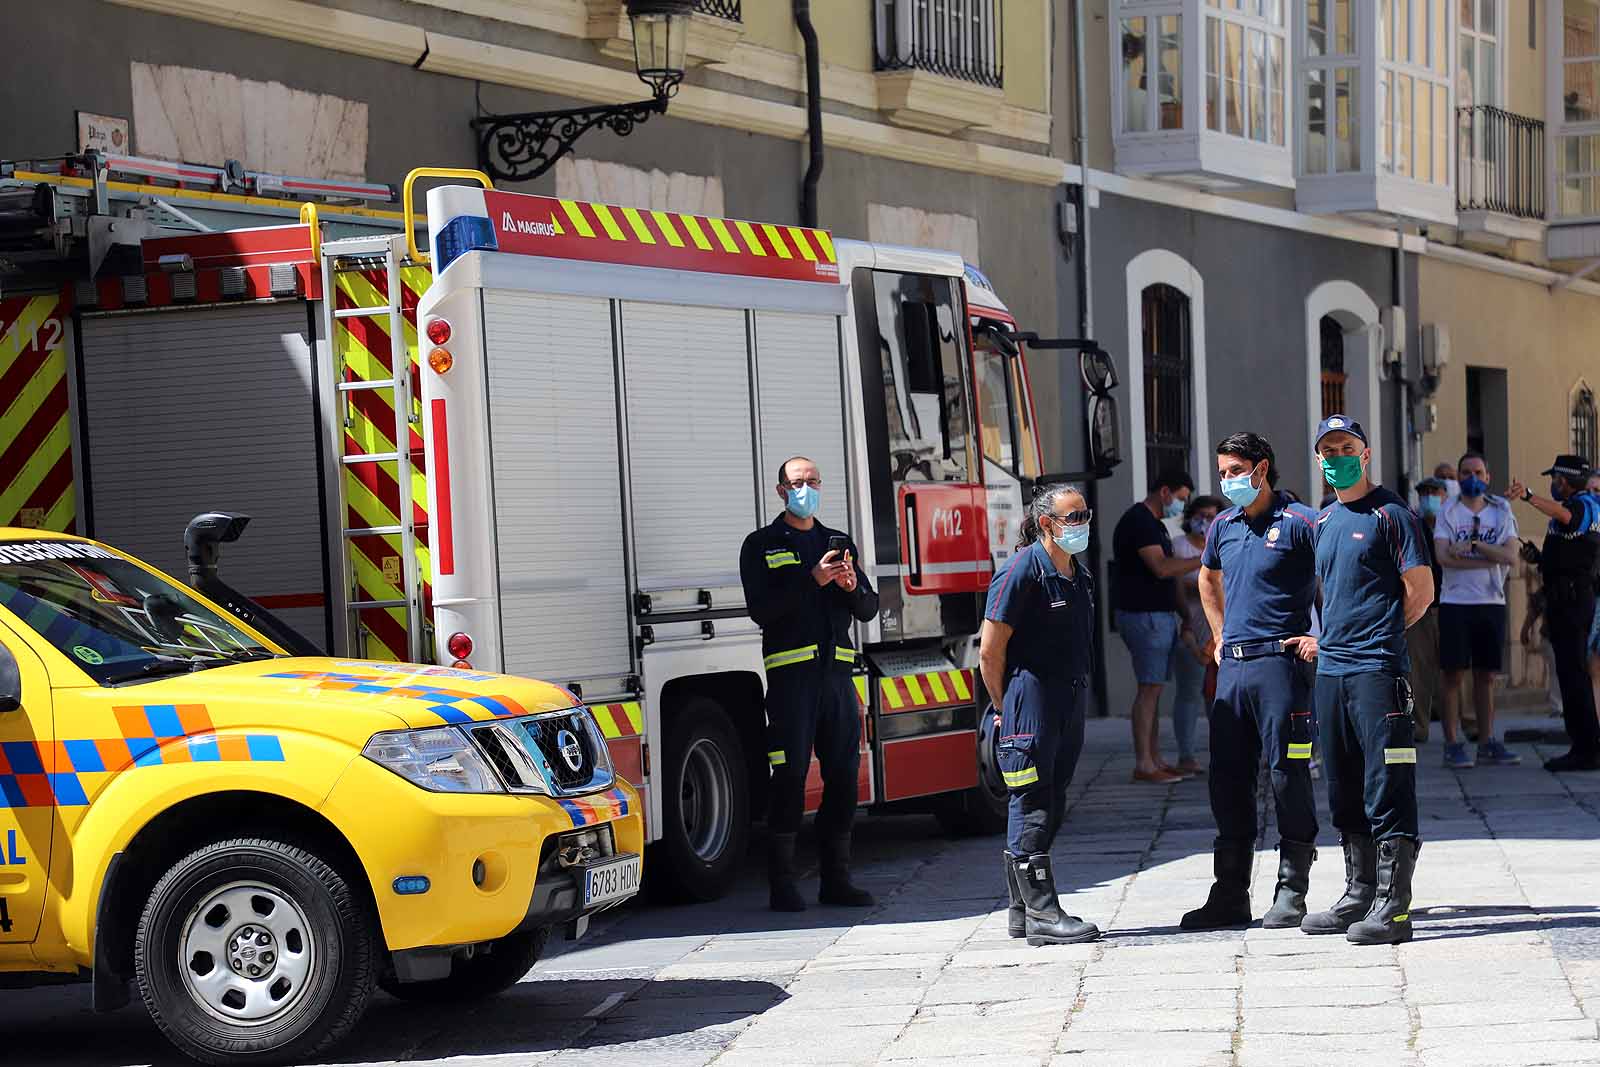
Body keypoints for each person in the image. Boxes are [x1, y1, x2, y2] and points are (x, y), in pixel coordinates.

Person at [1299, 416, 1433, 946]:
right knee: (1343, 780)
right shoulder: (1326, 519)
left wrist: (1378, 633)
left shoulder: (1391, 514)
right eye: (1328, 449)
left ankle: (1393, 905)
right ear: (1318, 459)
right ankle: (1357, 892)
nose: (1336, 456)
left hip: (1377, 669)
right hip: (1332, 670)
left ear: (1366, 452)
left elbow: (1419, 590)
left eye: (1346, 447)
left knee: (1388, 781)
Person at [1180, 433, 1321, 931]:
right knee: (1229, 779)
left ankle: (1292, 887)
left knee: (1288, 774)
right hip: (1233, 669)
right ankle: (1231, 891)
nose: (1227, 480)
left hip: (1281, 666)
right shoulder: (1223, 525)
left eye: (1235, 470)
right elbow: (1206, 578)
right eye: (1222, 472)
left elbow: (1340, 576)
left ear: (1261, 470)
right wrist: (1218, 635)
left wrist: (1321, 637)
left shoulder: (1302, 521)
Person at [740, 456, 879, 911]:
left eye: (813, 481)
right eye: (797, 482)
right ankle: (782, 885)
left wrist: (851, 585)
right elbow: (763, 610)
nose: (806, 488)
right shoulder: (761, 544)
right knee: (791, 777)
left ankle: (836, 880)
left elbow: (867, 608)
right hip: (791, 682)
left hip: (837, 680)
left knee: (843, 777)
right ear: (781, 490)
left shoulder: (837, 541)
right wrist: (813, 579)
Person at [981, 484, 1103, 946]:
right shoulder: (1021, 570)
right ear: (1047, 523)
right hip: (1030, 696)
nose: (1082, 524)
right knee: (1030, 799)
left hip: (1068, 695)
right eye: (1073, 517)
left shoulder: (1078, 574)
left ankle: (1021, 909)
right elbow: (990, 651)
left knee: (1054, 796)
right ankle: (1043, 913)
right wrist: (1002, 706)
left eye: (1085, 515)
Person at [1508, 455, 1600, 771]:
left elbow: (1568, 518)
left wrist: (1529, 496)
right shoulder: (1566, 512)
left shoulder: (1585, 505)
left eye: (1556, 479)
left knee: (1575, 676)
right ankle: (1581, 745)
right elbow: (1563, 555)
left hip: (1576, 601)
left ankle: (1588, 749)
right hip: (1562, 600)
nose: (1553, 484)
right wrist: (1539, 558)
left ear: (1567, 480)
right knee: (1568, 674)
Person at [1112, 469, 1201, 783]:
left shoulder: (1155, 525)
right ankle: (1144, 763)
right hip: (1144, 615)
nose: (1180, 505)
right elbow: (1162, 568)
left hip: (1158, 615)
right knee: (1148, 690)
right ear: (1164, 492)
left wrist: (1183, 614)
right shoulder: (1140, 522)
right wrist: (1204, 558)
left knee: (1155, 689)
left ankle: (1155, 758)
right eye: (1180, 499)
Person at [1433, 453, 1521, 768]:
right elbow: (1443, 557)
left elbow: (1511, 556)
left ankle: (1486, 742)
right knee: (1453, 673)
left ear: (1487, 476)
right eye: (1466, 472)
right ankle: (1452, 743)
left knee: (1486, 675)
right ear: (1458, 476)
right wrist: (1490, 555)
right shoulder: (1448, 511)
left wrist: (1474, 545)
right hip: (1456, 602)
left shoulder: (1501, 510)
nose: (1473, 477)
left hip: (1490, 600)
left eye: (1478, 472)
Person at [1171, 494, 1224, 776]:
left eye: (1211, 516)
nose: (1205, 522)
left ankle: (1224, 753)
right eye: (1200, 515)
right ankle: (1187, 755)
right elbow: (1175, 583)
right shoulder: (1179, 547)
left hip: (1222, 630)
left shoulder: (1225, 545)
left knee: (1221, 695)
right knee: (1189, 692)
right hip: (1190, 627)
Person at [1408, 478, 1447, 743]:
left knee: (1453, 669)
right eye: (1425, 493)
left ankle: (1463, 724)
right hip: (1422, 607)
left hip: (1452, 604)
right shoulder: (1413, 524)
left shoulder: (1453, 522)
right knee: (1419, 668)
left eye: (1434, 492)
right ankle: (1419, 725)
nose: (1429, 497)